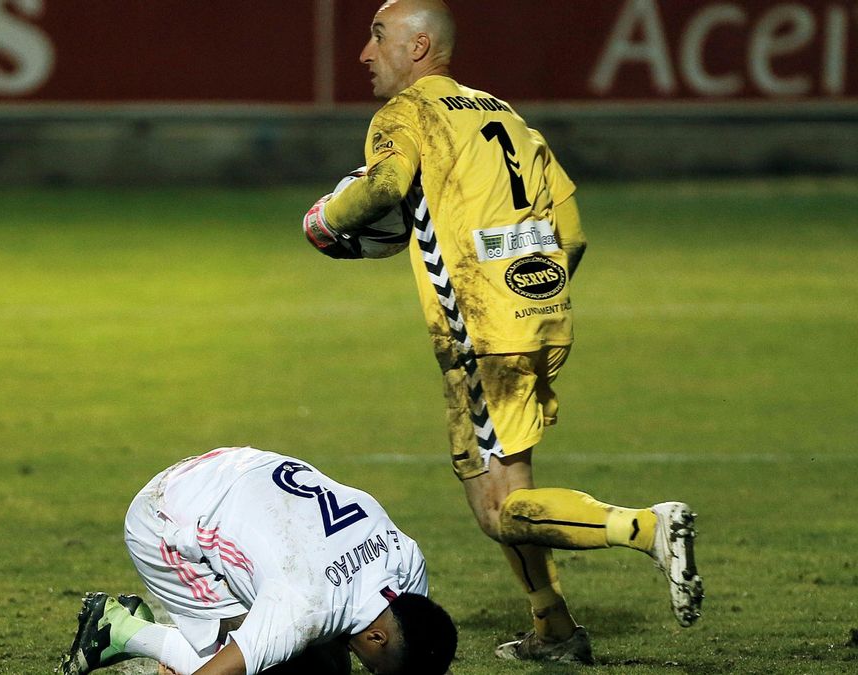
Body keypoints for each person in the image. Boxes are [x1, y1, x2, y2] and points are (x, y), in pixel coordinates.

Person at [301, 0, 703, 664]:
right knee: (517, 489)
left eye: (377, 38)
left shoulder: (405, 115)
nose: (365, 55)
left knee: (496, 511)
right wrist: (530, 293)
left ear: (419, 46)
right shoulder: (505, 114)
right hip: (539, 319)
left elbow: (387, 186)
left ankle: (646, 526)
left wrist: (324, 218)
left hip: (480, 333)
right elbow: (571, 234)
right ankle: (554, 628)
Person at [59, 446, 457, 675]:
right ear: (377, 638)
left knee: (324, 660)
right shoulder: (304, 605)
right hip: (167, 518)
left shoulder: (407, 562)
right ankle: (122, 630)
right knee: (295, 673)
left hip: (243, 469)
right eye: (376, 669)